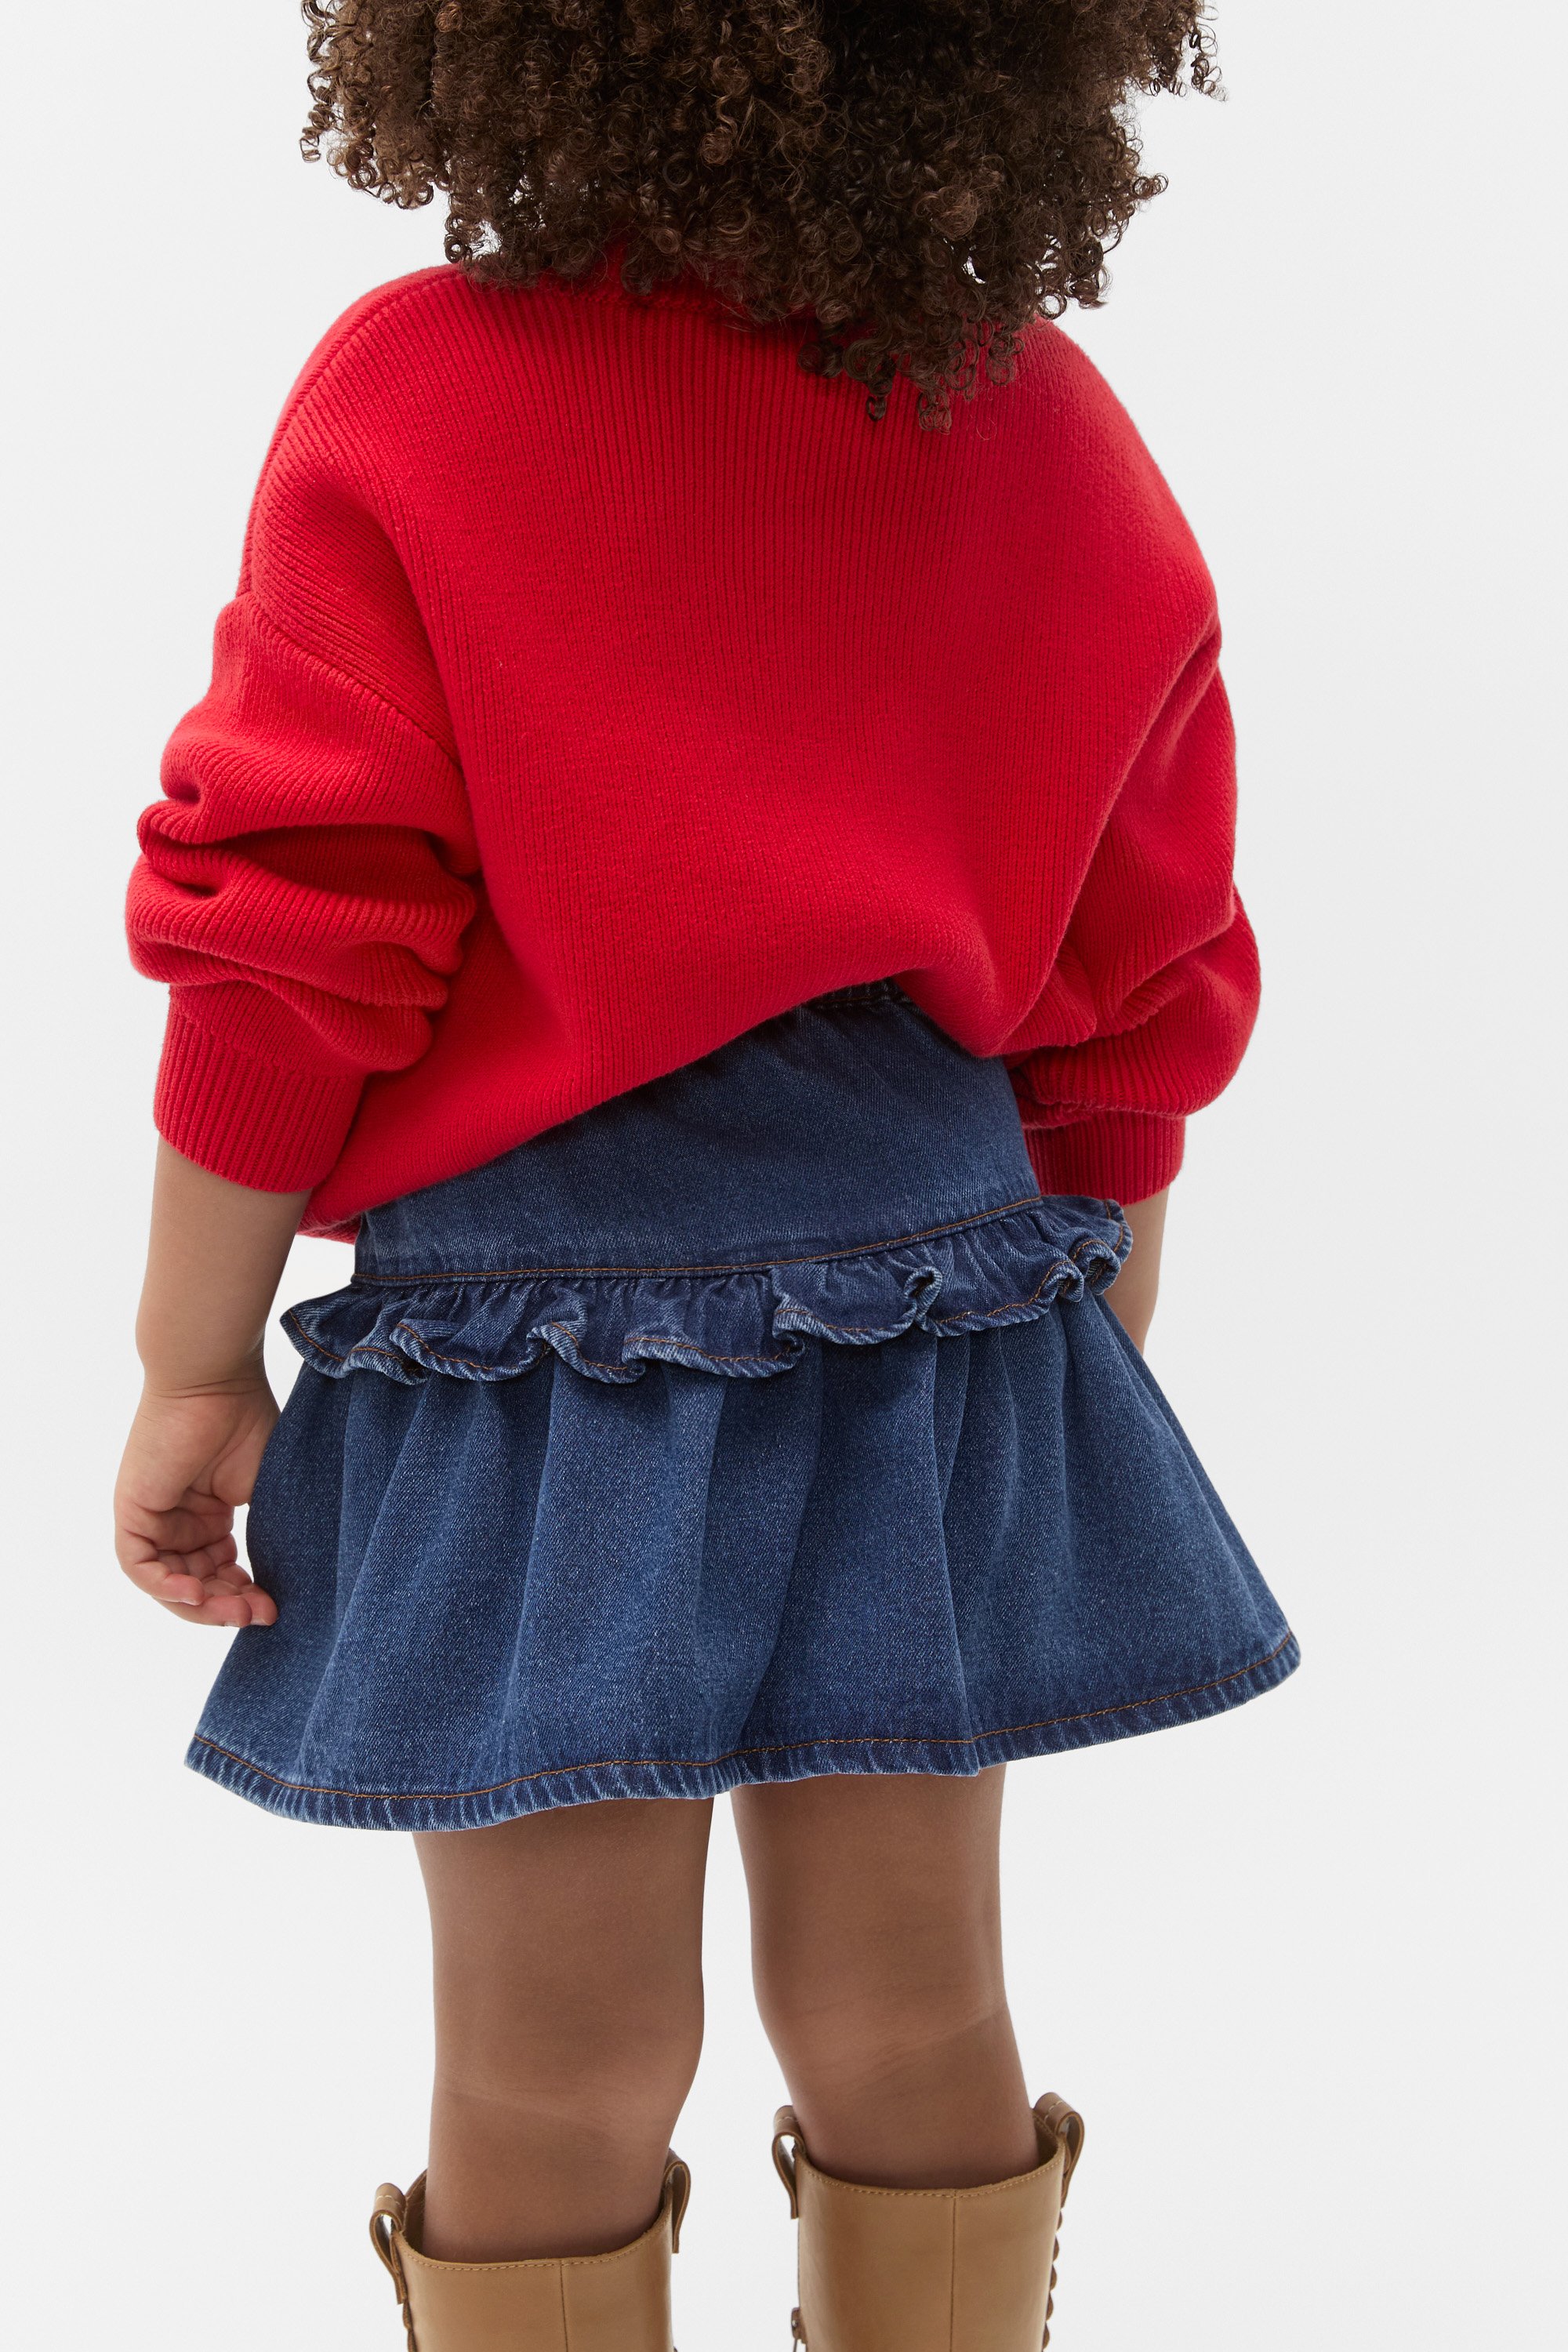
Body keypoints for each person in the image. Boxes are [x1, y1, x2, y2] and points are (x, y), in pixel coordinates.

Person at [114, 4, 1297, 2343]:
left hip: (538, 1340)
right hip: (941, 1292)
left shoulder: (423, 394)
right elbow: (1141, 943)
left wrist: (190, 1358)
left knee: (548, 2062)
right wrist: (1088, 1317)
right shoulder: (1035, 416)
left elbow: (300, 930)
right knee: (914, 2013)